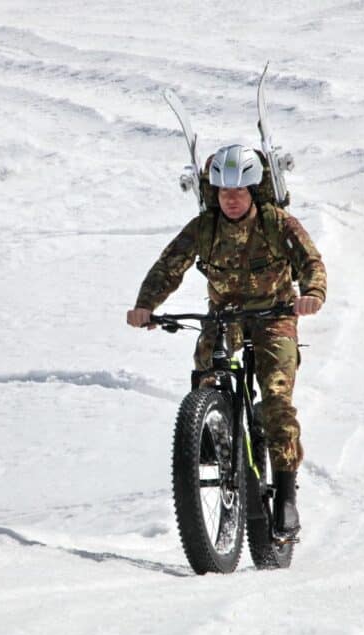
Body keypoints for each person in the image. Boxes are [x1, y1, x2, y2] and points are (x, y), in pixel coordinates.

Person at [125, 144, 326, 542]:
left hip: (275, 316)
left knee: (276, 399)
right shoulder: (204, 228)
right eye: (223, 193)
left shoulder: (278, 223)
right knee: (207, 369)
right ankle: (208, 430)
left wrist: (313, 293)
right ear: (213, 193)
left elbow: (311, 263)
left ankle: (285, 496)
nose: (231, 201)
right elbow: (170, 266)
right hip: (226, 315)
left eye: (239, 193)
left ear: (254, 192)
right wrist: (146, 306)